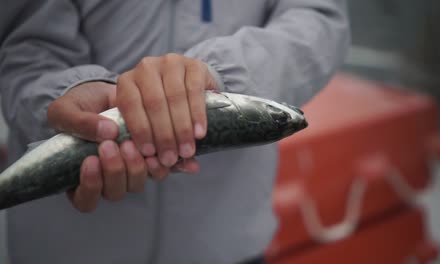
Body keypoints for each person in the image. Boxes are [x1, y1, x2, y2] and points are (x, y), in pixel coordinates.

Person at [0, 0, 349, 263]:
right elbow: (23, 40)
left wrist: (223, 72)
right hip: (62, 249)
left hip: (223, 243)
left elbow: (319, 20)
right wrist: (60, 95)